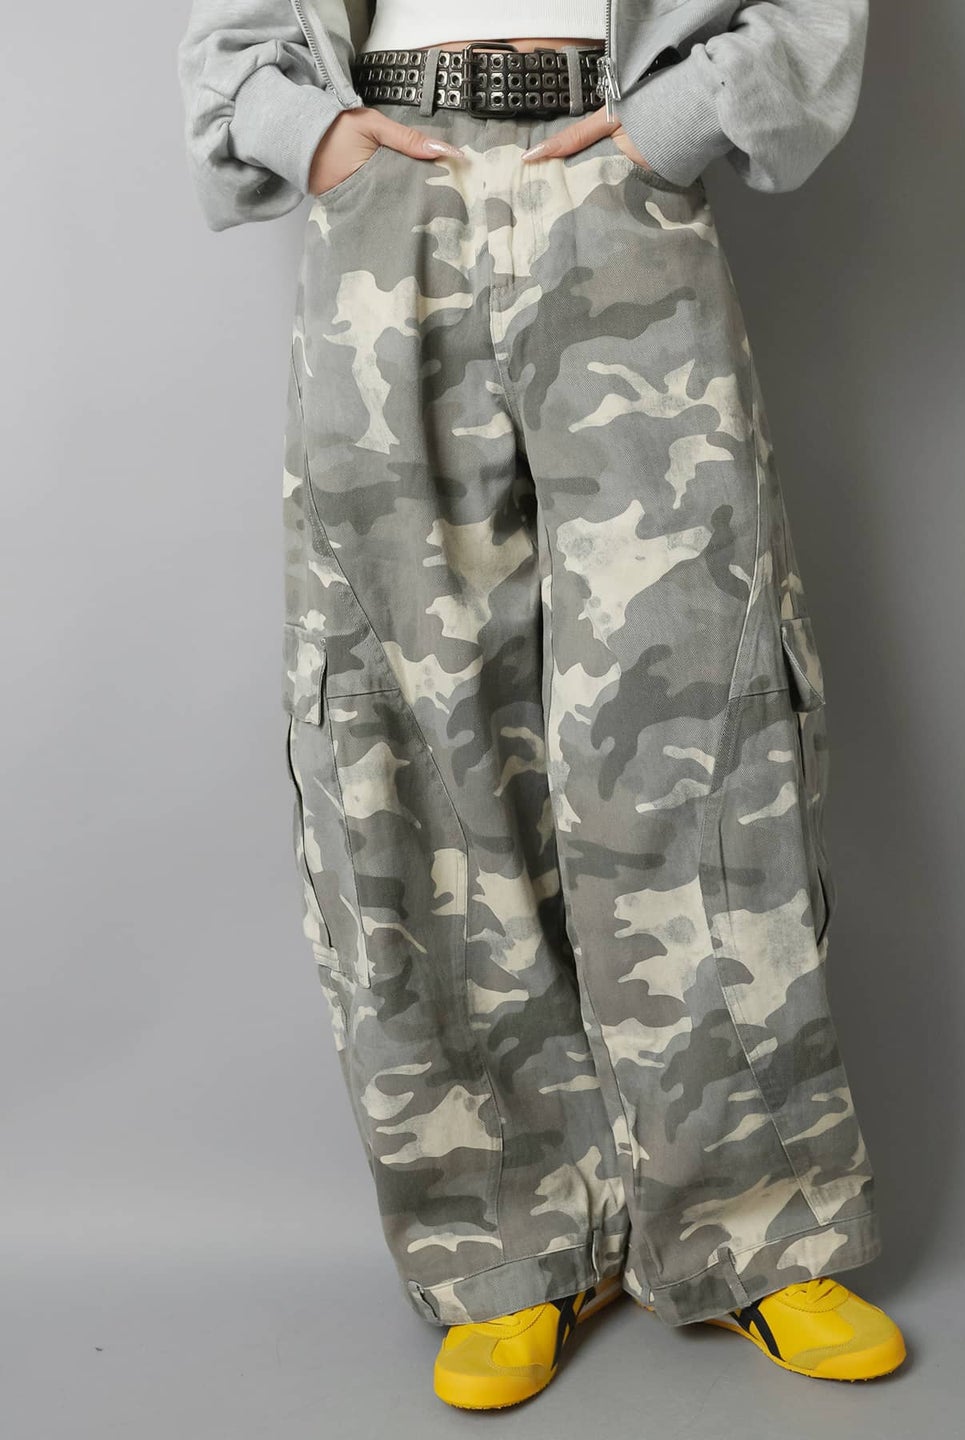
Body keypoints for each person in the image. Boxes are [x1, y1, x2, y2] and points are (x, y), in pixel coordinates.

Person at [177, 0, 905, 1410]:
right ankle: (508, 1246)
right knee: (406, 719)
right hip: (391, 189)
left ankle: (755, 1229)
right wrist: (316, 138)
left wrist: (669, 125)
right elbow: (228, 31)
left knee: (699, 713)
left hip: (619, 171)